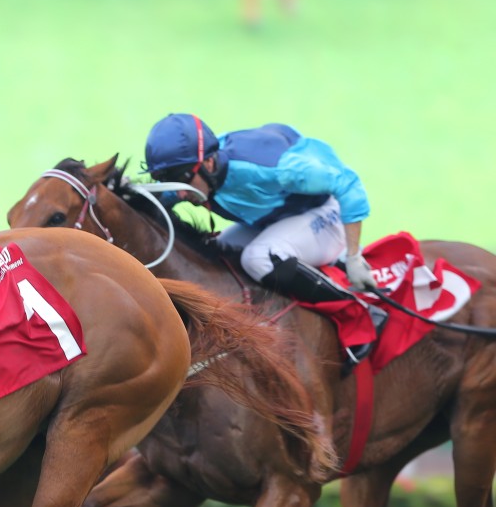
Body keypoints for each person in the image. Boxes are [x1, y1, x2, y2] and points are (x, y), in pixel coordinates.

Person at [142, 112, 385, 365]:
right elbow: (157, 200)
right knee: (215, 254)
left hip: (325, 214)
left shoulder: (279, 169)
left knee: (259, 257)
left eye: (182, 180)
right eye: (168, 182)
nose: (180, 193)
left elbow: (349, 184)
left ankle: (361, 313)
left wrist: (354, 257)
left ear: (209, 163)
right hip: (276, 220)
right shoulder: (193, 171)